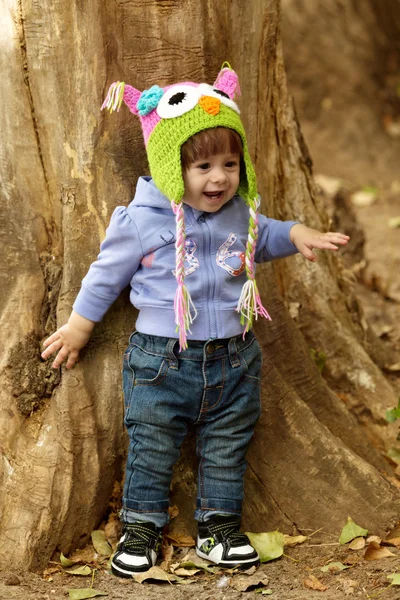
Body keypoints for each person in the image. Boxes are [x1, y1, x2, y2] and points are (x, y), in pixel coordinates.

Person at [41, 65, 349, 578]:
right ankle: (140, 528)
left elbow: (264, 234)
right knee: (152, 444)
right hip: (163, 362)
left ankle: (219, 529)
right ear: (169, 167)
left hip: (235, 358)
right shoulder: (141, 220)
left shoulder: (239, 211)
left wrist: (296, 235)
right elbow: (104, 276)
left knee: (227, 445)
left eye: (230, 163)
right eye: (203, 166)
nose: (219, 178)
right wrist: (79, 325)